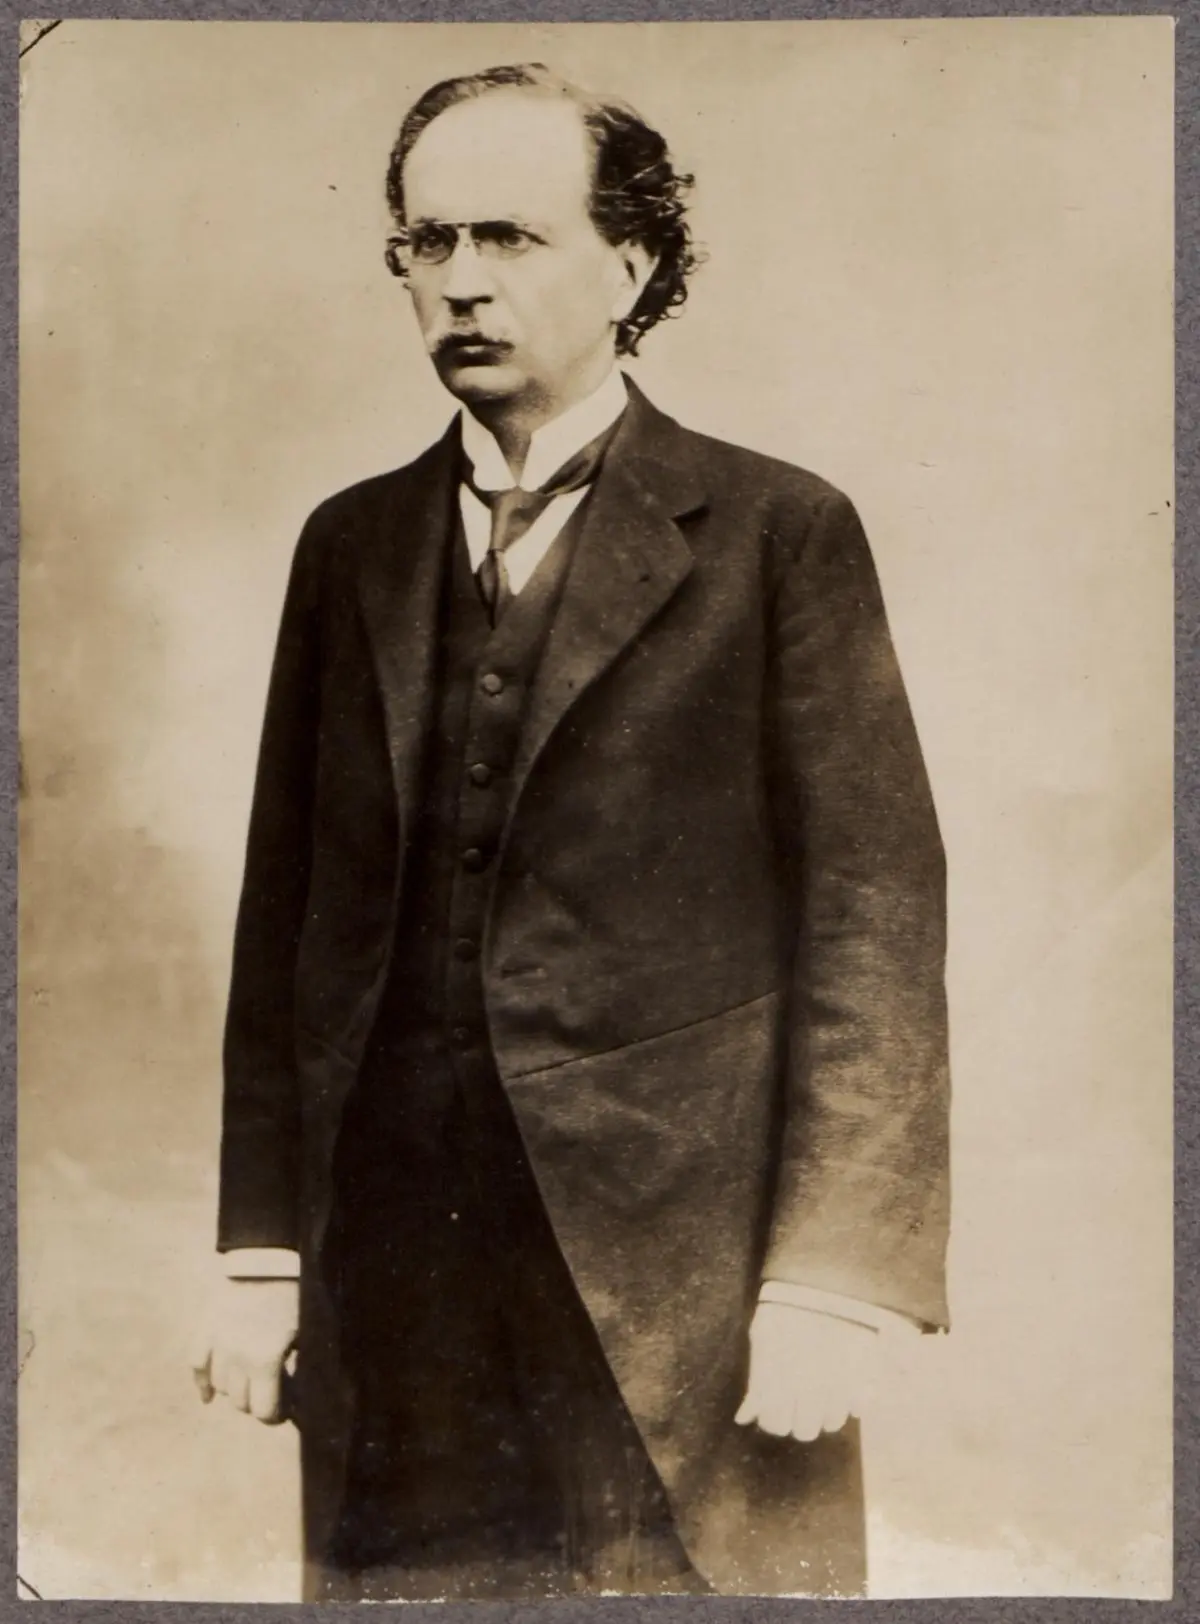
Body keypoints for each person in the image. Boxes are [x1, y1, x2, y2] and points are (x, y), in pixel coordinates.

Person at [192, 62, 951, 1602]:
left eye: (511, 238)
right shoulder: (350, 545)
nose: (462, 282)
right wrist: (263, 1251)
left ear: (631, 265)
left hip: (681, 1300)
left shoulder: (777, 532)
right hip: (392, 1287)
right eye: (429, 241)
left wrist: (831, 1278)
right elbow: (288, 920)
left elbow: (874, 917)